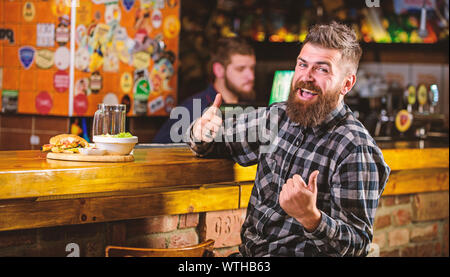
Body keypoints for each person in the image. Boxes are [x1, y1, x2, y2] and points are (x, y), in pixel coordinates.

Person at [186, 22, 390, 257]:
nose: (307, 76)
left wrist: (311, 218)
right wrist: (202, 132)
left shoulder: (355, 148)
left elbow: (358, 245)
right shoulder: (277, 117)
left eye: (322, 69)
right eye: (303, 65)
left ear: (347, 84)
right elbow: (214, 141)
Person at [152, 37, 256, 143]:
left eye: (252, 68)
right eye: (240, 69)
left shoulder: (251, 108)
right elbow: (158, 152)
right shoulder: (191, 108)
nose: (251, 76)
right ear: (219, 70)